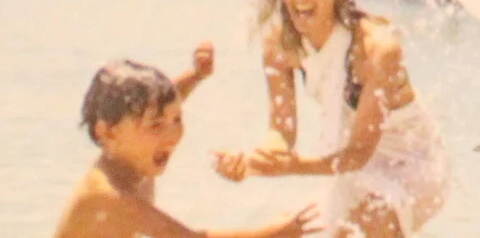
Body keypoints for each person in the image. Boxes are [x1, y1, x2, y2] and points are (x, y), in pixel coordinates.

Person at [215, 0, 447, 238]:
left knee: (366, 223)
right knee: (300, 228)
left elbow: (358, 153)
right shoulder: (279, 43)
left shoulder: (377, 49)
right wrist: (253, 161)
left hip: (411, 164)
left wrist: (293, 167)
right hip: (351, 165)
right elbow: (281, 131)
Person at [55, 50, 319, 238]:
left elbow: (163, 102)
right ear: (108, 133)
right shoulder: (108, 196)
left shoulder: (132, 156)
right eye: (156, 126)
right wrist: (273, 233)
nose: (172, 136)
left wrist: (196, 76)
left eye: (177, 120)